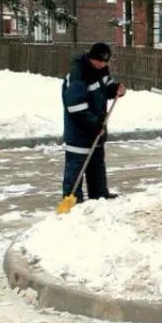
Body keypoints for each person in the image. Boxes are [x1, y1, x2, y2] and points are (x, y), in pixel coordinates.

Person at [61, 42, 126, 203]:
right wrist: (94, 124)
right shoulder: (79, 75)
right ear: (92, 58)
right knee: (76, 166)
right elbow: (75, 106)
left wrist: (116, 89)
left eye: (106, 61)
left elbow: (106, 88)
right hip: (79, 131)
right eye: (100, 61)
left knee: (96, 163)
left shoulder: (101, 71)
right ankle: (73, 199)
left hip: (96, 127)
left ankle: (99, 194)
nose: (103, 64)